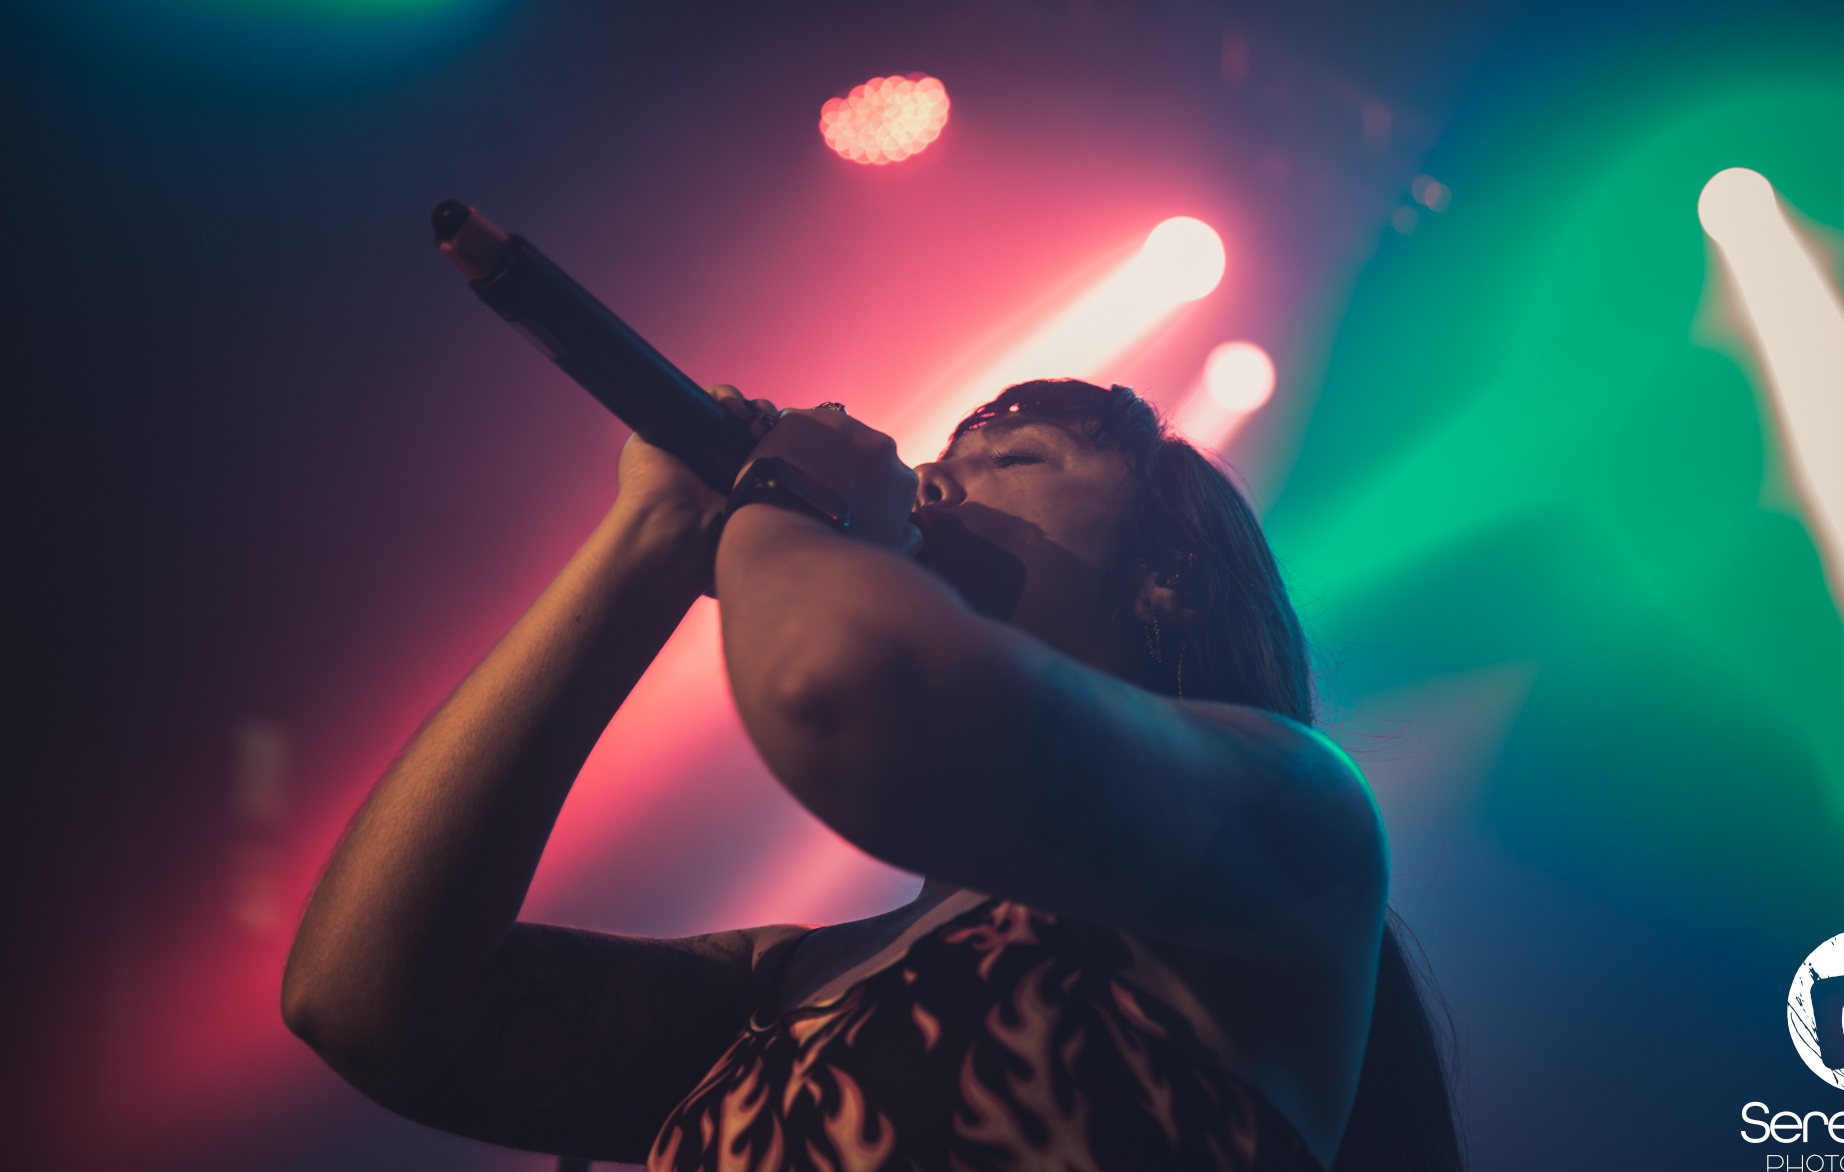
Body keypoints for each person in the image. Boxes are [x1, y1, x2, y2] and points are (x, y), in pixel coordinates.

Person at [282, 377, 1467, 1171]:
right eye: (939, 457)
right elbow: (361, 1002)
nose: (933, 483)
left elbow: (843, 691)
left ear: (1171, 579)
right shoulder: (776, 986)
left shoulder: (1297, 816)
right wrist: (646, 541)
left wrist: (784, 501)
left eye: (1010, 456)